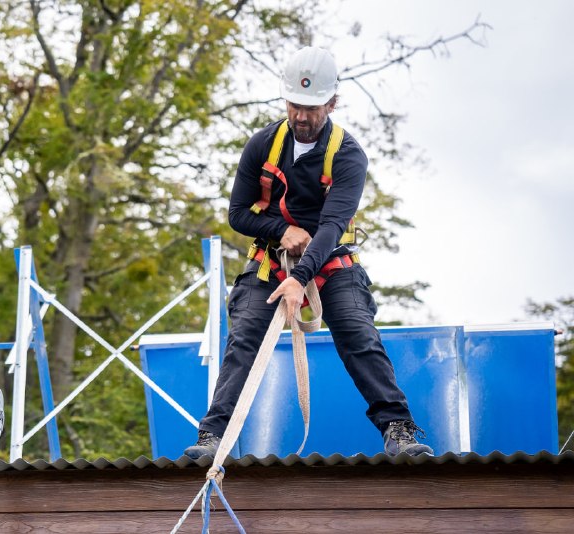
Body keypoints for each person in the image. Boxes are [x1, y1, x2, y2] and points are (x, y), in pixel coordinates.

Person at [184, 46, 433, 459]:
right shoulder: (263, 145)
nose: (301, 116)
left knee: (358, 333)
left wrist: (300, 279)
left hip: (332, 262)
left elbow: (333, 226)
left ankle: (399, 430)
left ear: (332, 102)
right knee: (244, 339)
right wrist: (282, 231)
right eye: (294, 105)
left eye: (312, 107)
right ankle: (213, 437)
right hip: (269, 262)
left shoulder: (348, 155)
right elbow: (237, 214)